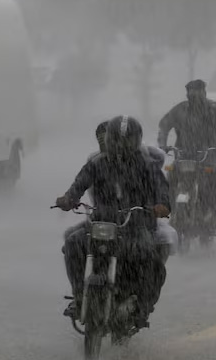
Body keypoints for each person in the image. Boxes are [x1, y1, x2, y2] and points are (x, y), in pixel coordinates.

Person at [57, 115, 171, 330]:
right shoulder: (97, 163)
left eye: (126, 141)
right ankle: (79, 295)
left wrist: (162, 205)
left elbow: (162, 190)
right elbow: (79, 184)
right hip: (101, 222)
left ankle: (142, 306)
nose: (120, 146)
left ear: (136, 140)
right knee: (73, 243)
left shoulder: (147, 165)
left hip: (135, 224)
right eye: (116, 140)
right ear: (109, 139)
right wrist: (68, 198)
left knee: (150, 258)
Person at [157, 79, 216, 228]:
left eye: (198, 91)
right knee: (171, 178)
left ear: (204, 92)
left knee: (215, 181)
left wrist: (209, 114)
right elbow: (164, 125)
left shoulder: (213, 107)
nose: (195, 94)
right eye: (191, 91)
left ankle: (212, 213)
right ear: (187, 92)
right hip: (184, 155)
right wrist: (162, 144)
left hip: (210, 155)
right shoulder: (180, 109)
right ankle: (174, 211)